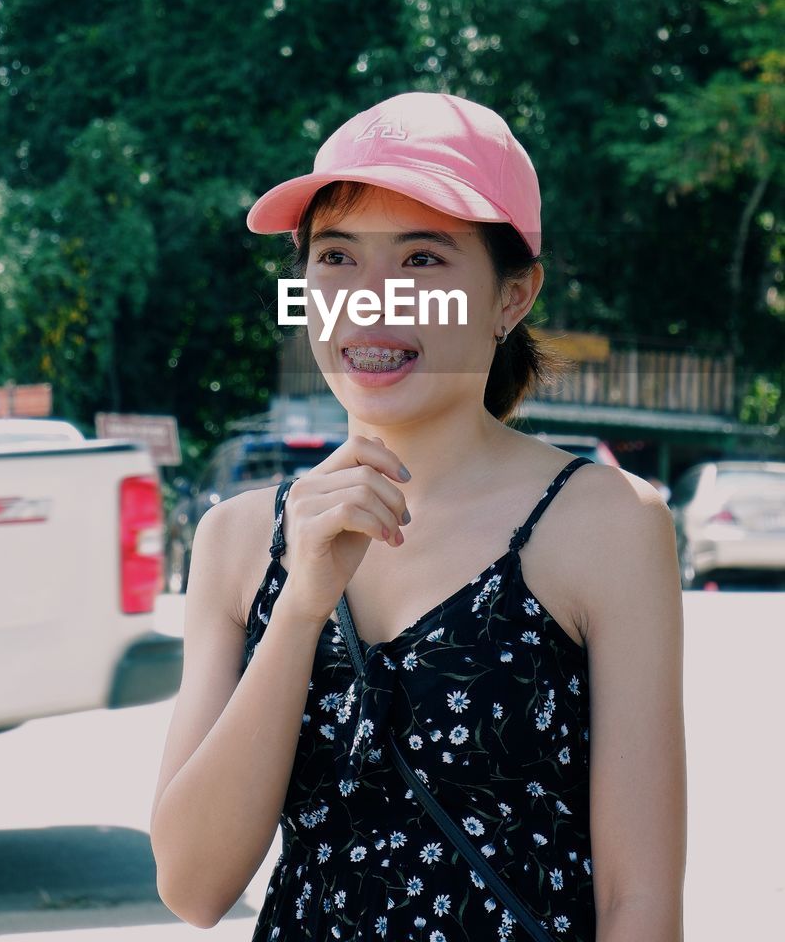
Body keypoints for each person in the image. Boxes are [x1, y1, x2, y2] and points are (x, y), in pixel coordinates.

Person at [150, 91, 687, 941]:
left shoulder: (605, 523)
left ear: (511, 299)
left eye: (424, 262)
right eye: (335, 257)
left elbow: (641, 899)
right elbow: (191, 885)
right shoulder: (239, 538)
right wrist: (298, 607)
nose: (370, 300)